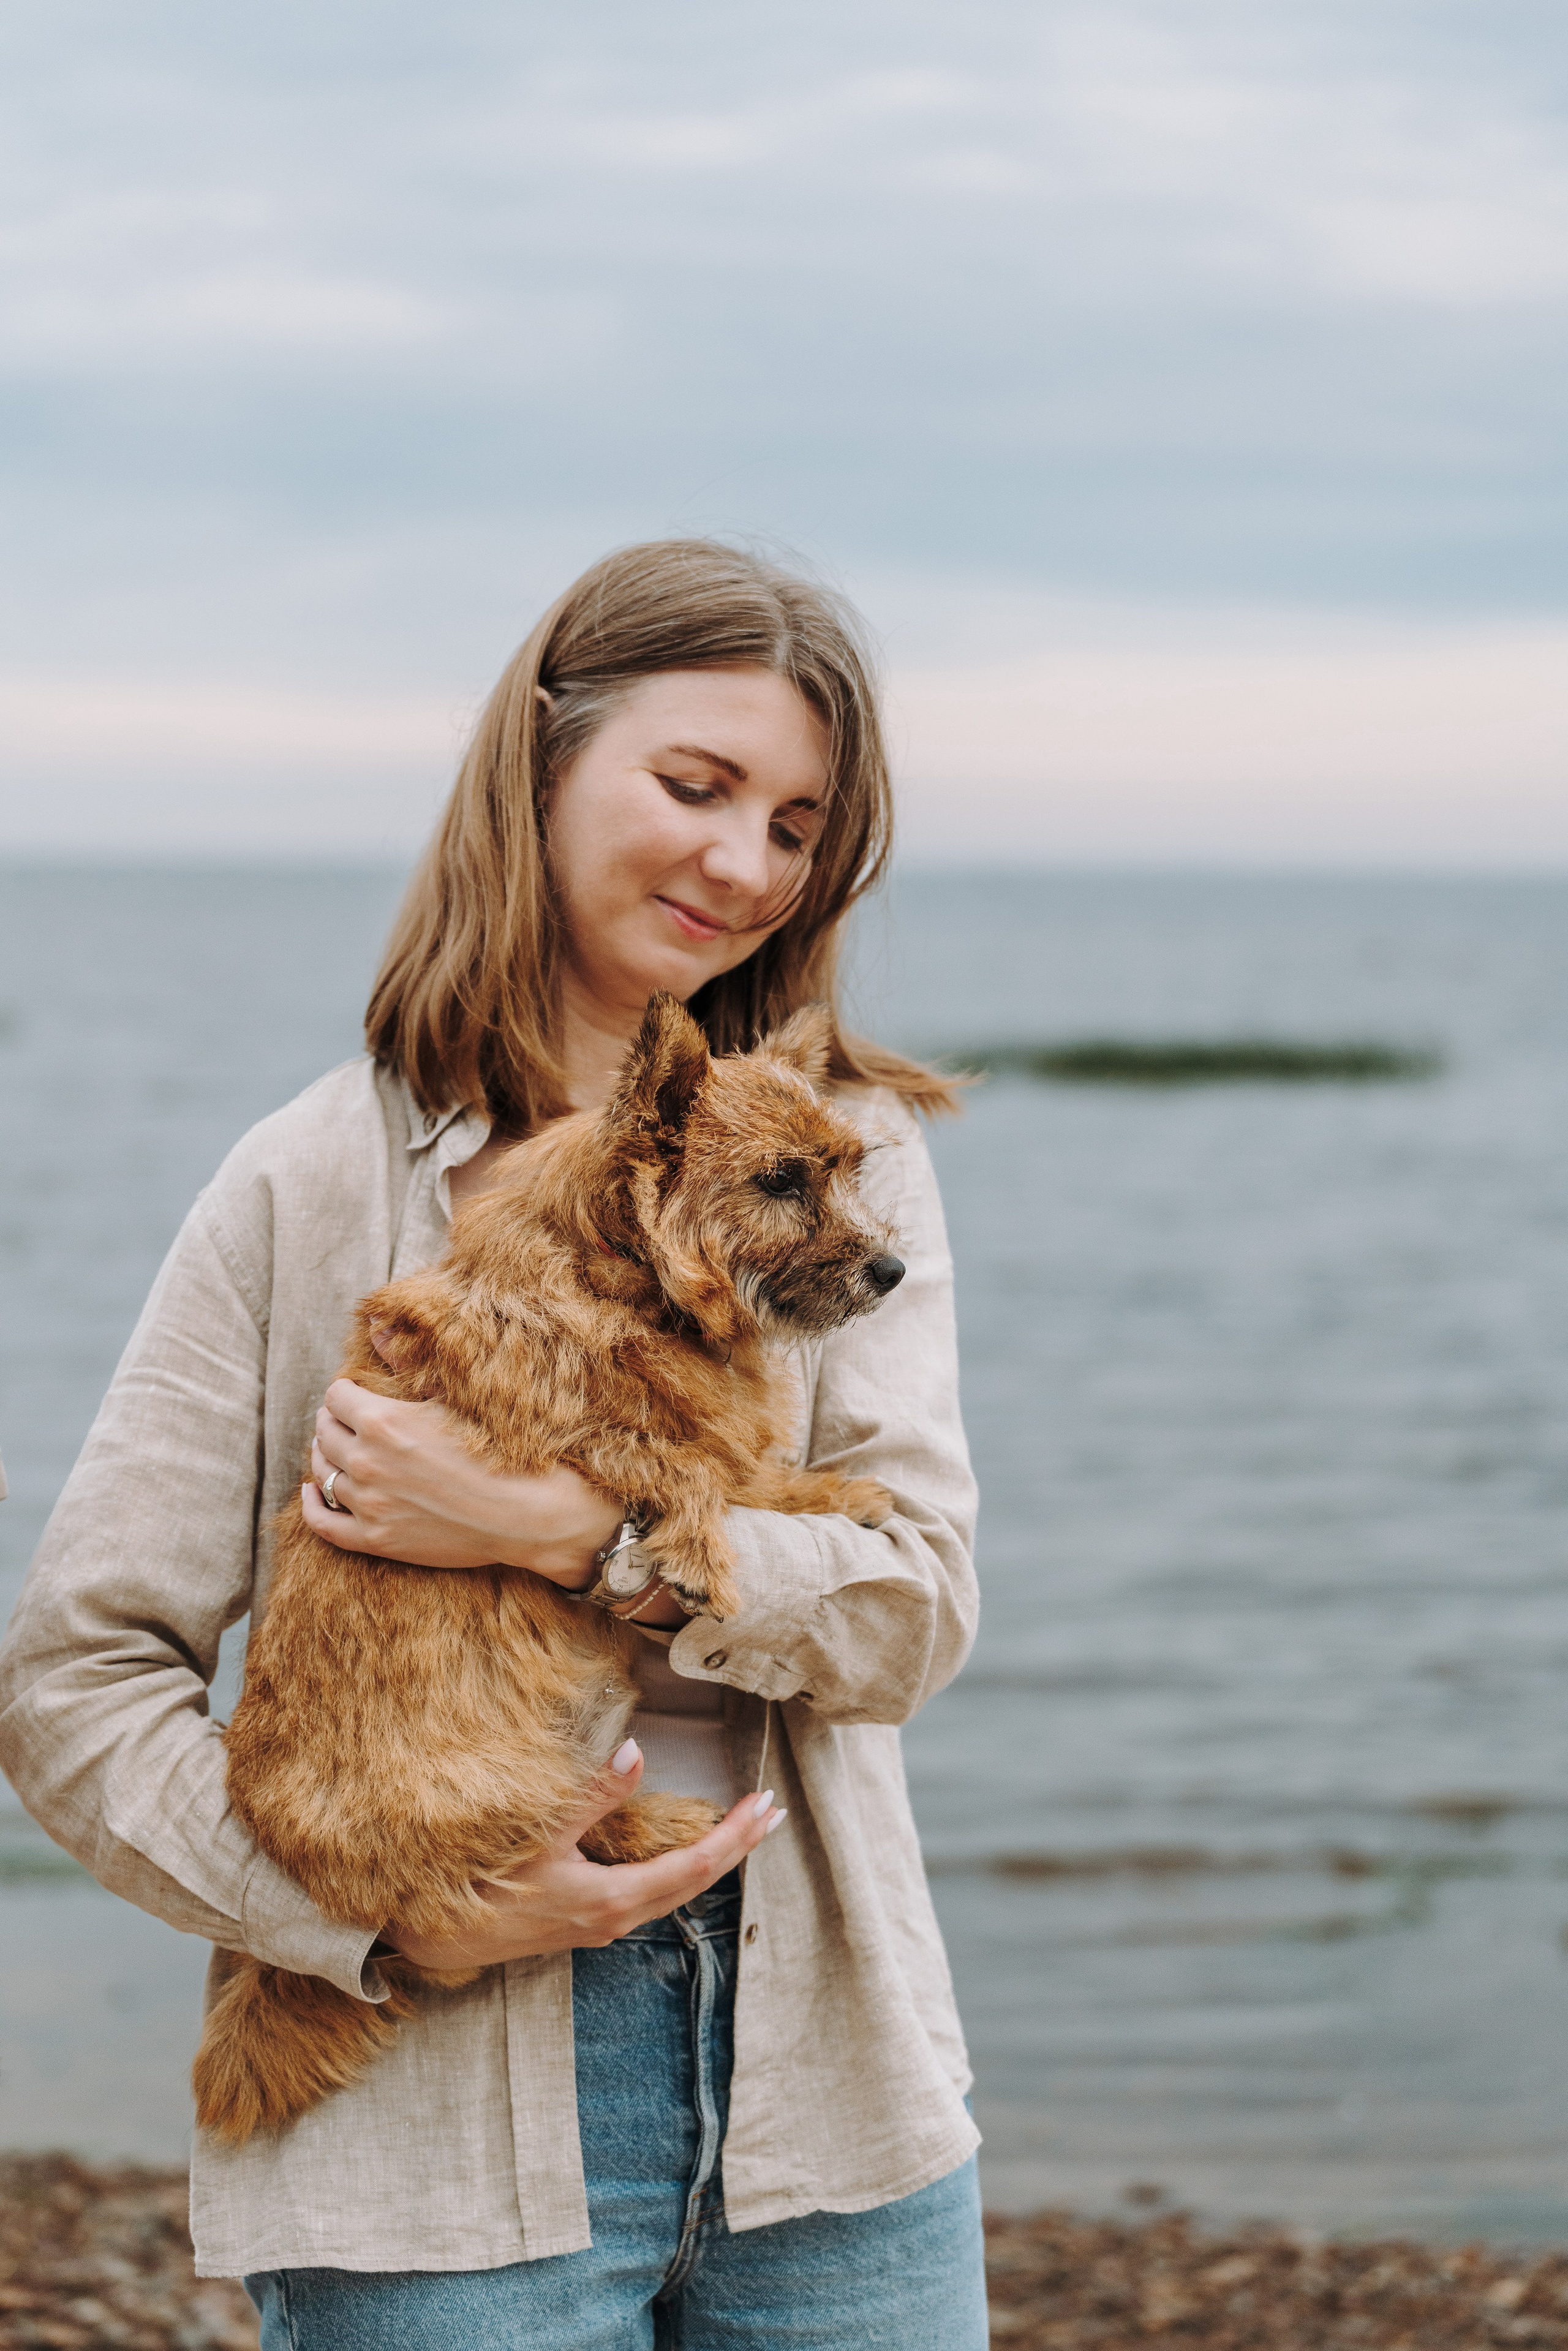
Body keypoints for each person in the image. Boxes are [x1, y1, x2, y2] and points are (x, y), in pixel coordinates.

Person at [0, 540, 986, 2349]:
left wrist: (568, 1531)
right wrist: (383, 1932)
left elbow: (912, 1619)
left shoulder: (851, 1178)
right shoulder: (310, 1185)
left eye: (794, 828)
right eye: (695, 788)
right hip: (434, 2132)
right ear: (540, 767)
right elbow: (75, 1681)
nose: (738, 863)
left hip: (831, 2089)